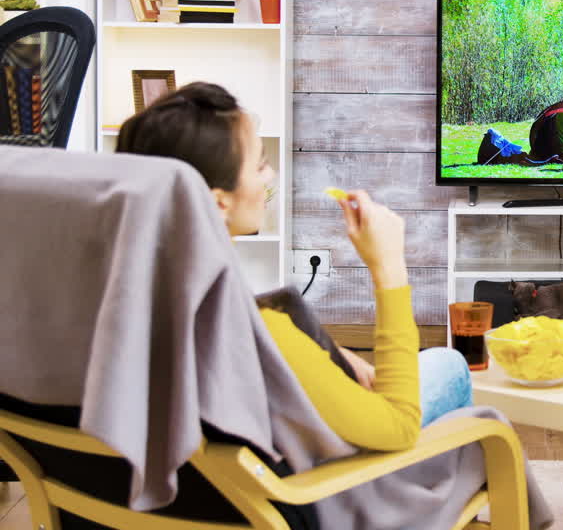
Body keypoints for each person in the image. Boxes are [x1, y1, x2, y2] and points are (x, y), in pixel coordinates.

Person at [116, 82, 473, 450]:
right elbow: (398, 428)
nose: (269, 177)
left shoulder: (131, 301)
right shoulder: (260, 334)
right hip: (320, 492)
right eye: (260, 164)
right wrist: (389, 268)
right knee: (450, 365)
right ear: (219, 202)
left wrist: (337, 359)